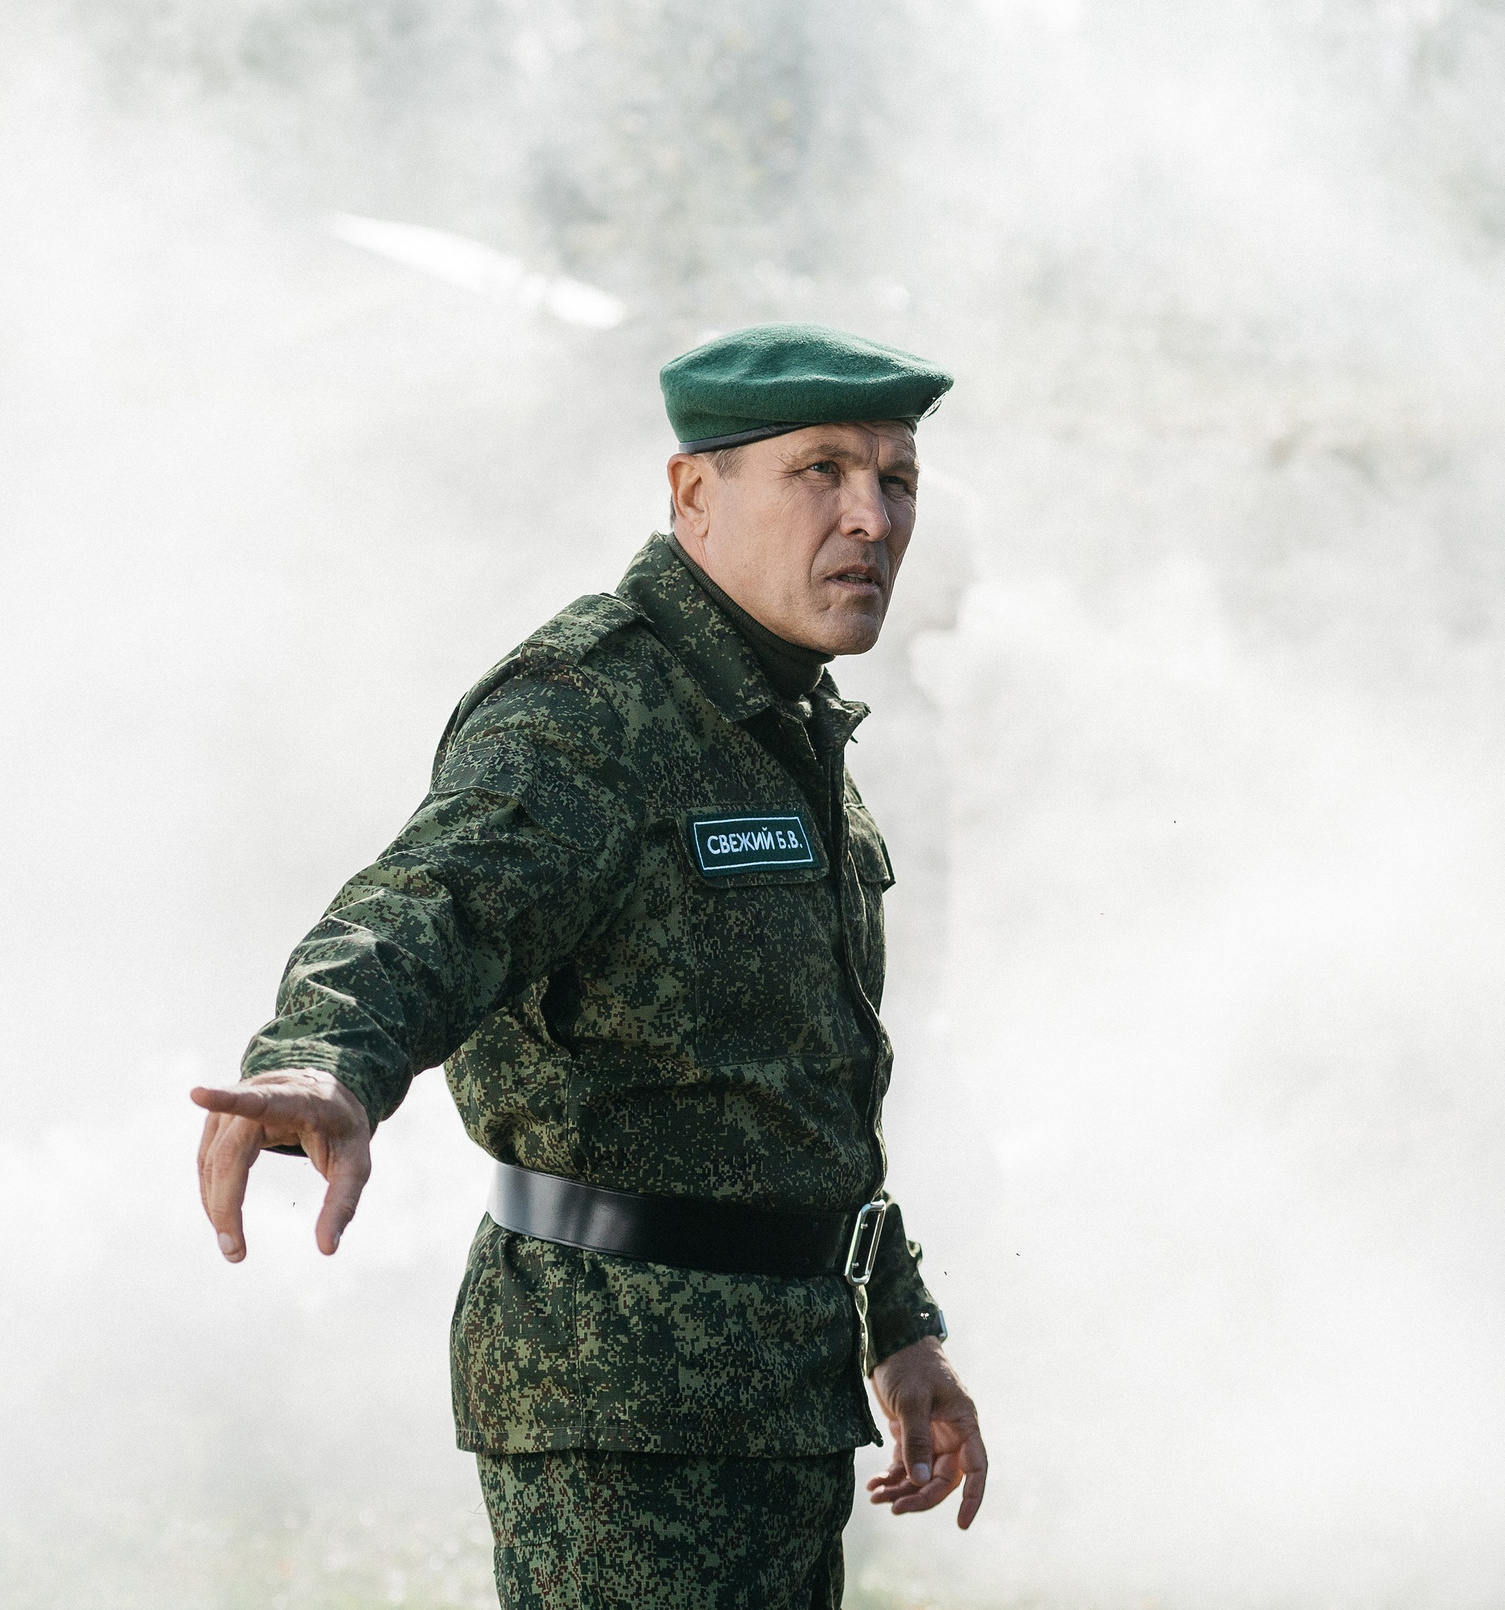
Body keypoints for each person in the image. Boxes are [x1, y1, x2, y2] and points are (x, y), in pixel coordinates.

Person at [189, 323, 986, 1609]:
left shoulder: (784, 724)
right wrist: (325, 1058)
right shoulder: (590, 709)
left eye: (896, 480)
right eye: (820, 471)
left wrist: (897, 1324)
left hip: (780, 1401)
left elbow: (795, 1093)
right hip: (621, 1415)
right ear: (693, 495)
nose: (870, 517)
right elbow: (424, 905)